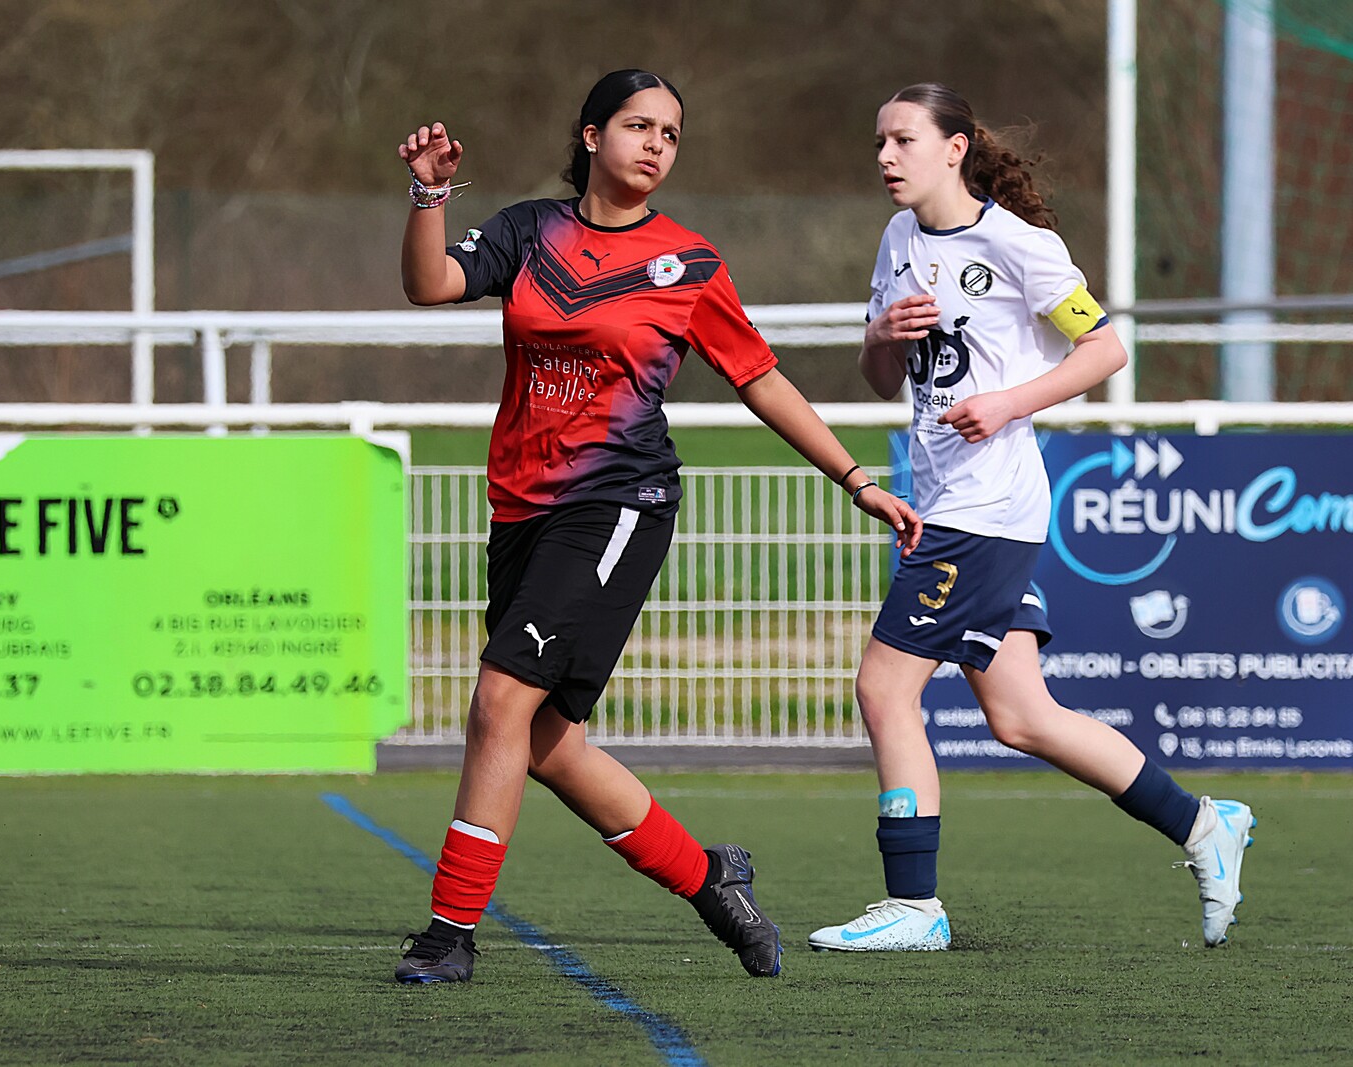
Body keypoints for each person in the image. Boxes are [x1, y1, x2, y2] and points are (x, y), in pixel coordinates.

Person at [392, 69, 924, 984]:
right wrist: (428, 195)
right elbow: (430, 283)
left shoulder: (689, 263)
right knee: (547, 744)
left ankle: (449, 936)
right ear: (591, 135)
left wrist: (854, 478)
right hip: (520, 509)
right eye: (639, 126)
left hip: (617, 504)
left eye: (671, 134)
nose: (656, 145)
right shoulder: (530, 230)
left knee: (498, 702)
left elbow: (761, 379)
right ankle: (711, 879)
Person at [806, 83, 1255, 954]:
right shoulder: (898, 239)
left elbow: (1106, 347)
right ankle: (1205, 822)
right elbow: (880, 379)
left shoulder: (1018, 244)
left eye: (903, 140)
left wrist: (1009, 402)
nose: (886, 157)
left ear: (955, 149)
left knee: (883, 687)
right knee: (1021, 714)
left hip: (986, 510)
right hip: (947, 503)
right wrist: (882, 338)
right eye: (879, 142)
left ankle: (914, 905)